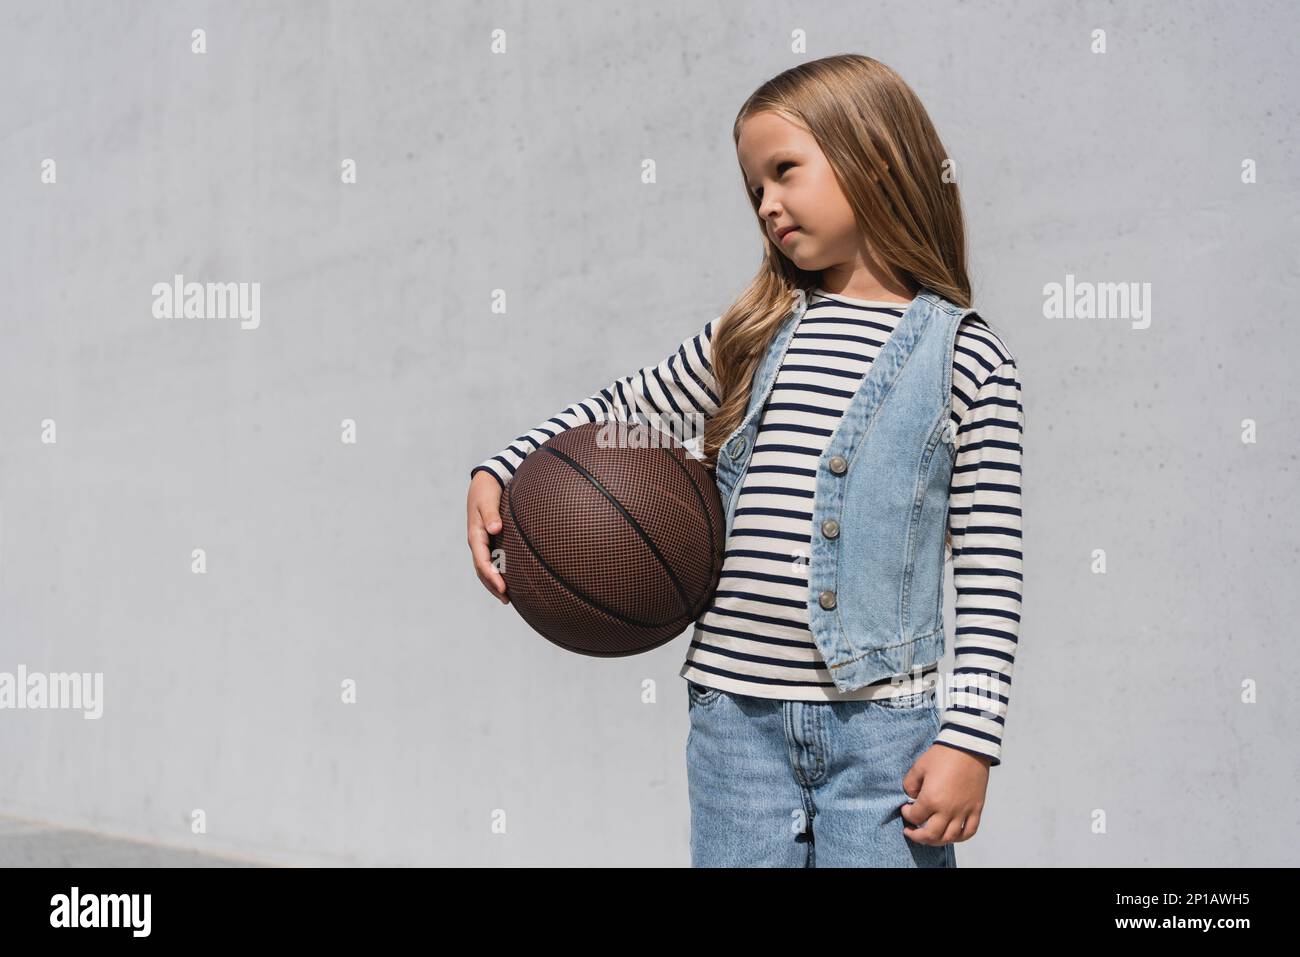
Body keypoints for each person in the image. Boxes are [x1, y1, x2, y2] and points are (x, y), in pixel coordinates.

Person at [466, 54, 1023, 867]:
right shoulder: (752, 336)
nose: (767, 204)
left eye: (784, 172)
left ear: (875, 157)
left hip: (885, 732)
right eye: (753, 187)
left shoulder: (966, 360)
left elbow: (992, 571)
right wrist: (503, 467)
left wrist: (971, 738)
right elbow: (625, 410)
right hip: (736, 721)